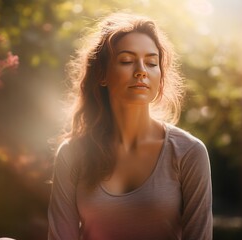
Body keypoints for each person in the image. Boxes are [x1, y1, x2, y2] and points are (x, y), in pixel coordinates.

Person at [48, 12, 212, 240]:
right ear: (102, 74)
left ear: (160, 76)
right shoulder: (72, 154)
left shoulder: (189, 153)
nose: (141, 70)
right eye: (126, 60)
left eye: (152, 62)